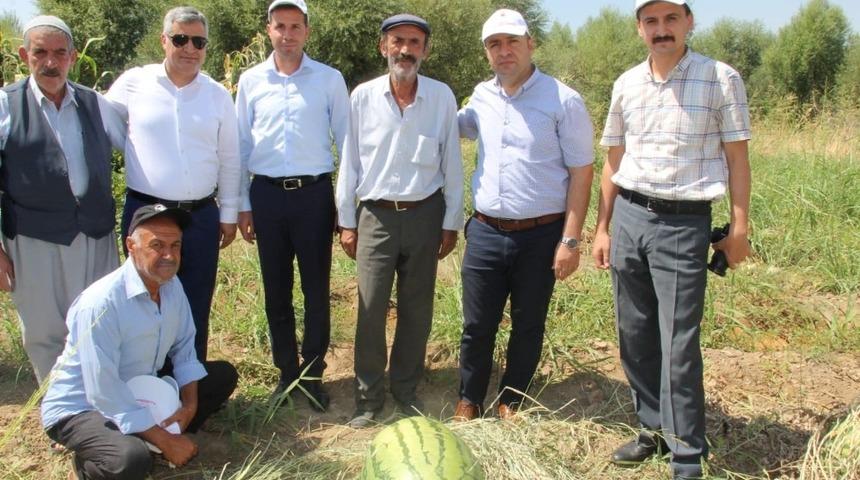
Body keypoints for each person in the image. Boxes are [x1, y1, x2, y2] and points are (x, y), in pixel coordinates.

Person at [592, 1, 752, 478]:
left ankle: (686, 454)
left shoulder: (720, 78)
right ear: (640, 27)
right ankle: (653, 431)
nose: (661, 30)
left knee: (679, 342)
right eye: (651, 21)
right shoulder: (626, 83)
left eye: (671, 19)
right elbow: (613, 163)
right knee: (634, 333)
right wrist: (601, 228)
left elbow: (738, 160)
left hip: (685, 224)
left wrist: (739, 227)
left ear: (688, 22)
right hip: (629, 218)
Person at [453, 9, 594, 422]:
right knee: (476, 324)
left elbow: (582, 174)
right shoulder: (481, 97)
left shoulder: (563, 100)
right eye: (495, 44)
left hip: (541, 235)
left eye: (512, 41)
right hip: (484, 232)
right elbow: (453, 127)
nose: (504, 51)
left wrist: (570, 240)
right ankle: (469, 398)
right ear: (486, 53)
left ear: (530, 44)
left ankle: (511, 399)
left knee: (528, 323)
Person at [41, 204, 238, 480]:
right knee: (131, 460)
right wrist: (165, 441)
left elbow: (184, 349)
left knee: (222, 376)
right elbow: (103, 389)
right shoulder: (101, 303)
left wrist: (189, 406)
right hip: (83, 406)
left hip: (139, 388)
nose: (168, 255)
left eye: (176, 245)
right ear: (131, 246)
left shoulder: (172, 286)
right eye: (157, 245)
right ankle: (91, 461)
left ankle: (152, 433)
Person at [335, 13, 464, 428]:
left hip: (425, 214)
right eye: (397, 41)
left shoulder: (442, 97)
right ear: (383, 47)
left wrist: (451, 221)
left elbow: (452, 162)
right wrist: (346, 220)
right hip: (374, 216)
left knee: (416, 308)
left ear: (425, 50)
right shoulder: (362, 97)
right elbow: (350, 163)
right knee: (370, 308)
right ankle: (369, 399)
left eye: (414, 42)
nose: (405, 49)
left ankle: (405, 392)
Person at [107, 6, 241, 364]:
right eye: (181, 39)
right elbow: (105, 127)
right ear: (164, 40)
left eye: (199, 41)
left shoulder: (216, 95)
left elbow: (229, 158)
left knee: (195, 305)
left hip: (199, 217)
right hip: (146, 213)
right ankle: (144, 389)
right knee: (143, 301)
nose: (189, 48)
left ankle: (188, 395)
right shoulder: (135, 82)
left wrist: (227, 213)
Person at [235, 0, 349, 412]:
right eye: (280, 26)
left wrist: (344, 205)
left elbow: (347, 143)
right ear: (269, 30)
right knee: (275, 290)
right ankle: (287, 374)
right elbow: (240, 146)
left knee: (317, 290)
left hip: (314, 195)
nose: (287, 34)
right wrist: (241, 205)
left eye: (295, 26)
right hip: (265, 195)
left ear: (307, 31)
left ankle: (313, 375)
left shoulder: (329, 79)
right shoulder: (250, 81)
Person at [0, 15, 126, 383]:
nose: (51, 63)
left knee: (99, 323)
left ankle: (99, 406)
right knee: (45, 332)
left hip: (95, 234)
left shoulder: (96, 104)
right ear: (25, 55)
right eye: (41, 53)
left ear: (73, 56)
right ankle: (60, 414)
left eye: (60, 53)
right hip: (34, 237)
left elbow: (139, 151)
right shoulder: (7, 106)